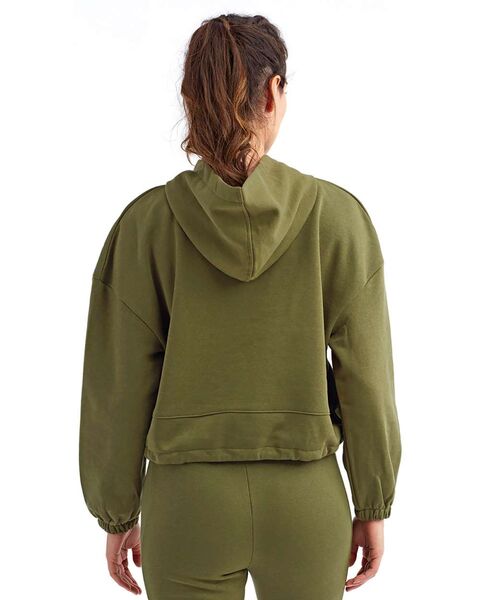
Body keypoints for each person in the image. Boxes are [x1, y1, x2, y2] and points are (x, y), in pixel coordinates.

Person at [78, 12, 401, 600]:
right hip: (306, 502)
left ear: (190, 100)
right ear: (273, 92)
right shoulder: (339, 220)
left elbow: (117, 384)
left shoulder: (145, 226)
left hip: (187, 505)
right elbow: (367, 379)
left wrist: (116, 511)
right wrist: (372, 502)